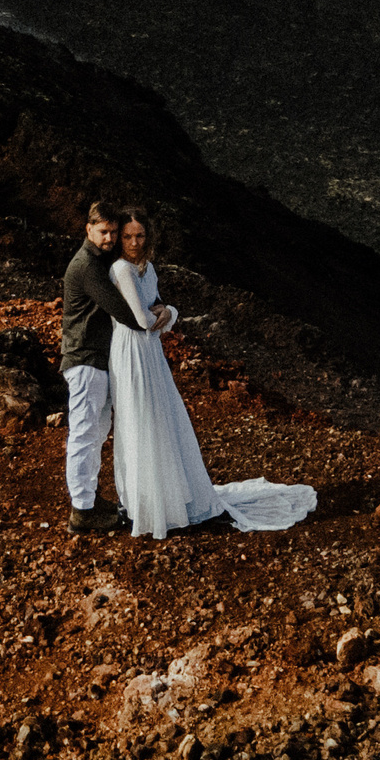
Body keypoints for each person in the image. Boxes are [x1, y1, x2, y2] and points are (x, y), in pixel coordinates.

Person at [105, 207, 316, 539]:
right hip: (131, 351)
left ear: (148, 236)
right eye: (128, 236)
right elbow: (144, 320)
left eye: (140, 235)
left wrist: (169, 311)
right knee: (139, 421)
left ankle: (168, 501)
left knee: (161, 420)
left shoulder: (148, 269)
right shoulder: (121, 269)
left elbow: (160, 312)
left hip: (149, 352)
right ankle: (146, 505)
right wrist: (165, 313)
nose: (134, 242)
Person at [60, 201, 141, 534]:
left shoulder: (99, 261)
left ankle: (89, 500)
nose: (109, 238)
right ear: (88, 229)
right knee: (85, 434)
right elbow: (121, 310)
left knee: (95, 432)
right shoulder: (87, 266)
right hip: (85, 360)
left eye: (113, 232)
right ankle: (81, 512)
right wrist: (151, 318)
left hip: (96, 360)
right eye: (103, 231)